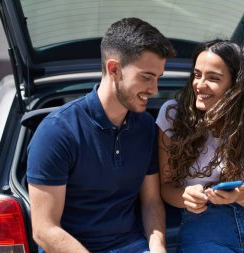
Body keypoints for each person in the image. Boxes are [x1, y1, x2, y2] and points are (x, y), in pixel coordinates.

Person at [27, 17, 175, 253]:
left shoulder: (146, 126)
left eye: (158, 78)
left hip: (130, 245)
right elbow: (44, 229)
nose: (155, 90)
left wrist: (158, 246)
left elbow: (151, 201)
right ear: (114, 69)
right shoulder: (57, 132)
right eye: (146, 77)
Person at [156, 40, 244, 252]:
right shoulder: (172, 114)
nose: (200, 85)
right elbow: (165, 187)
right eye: (197, 74)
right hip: (203, 224)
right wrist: (186, 197)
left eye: (213, 78)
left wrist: (241, 195)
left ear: (234, 84)